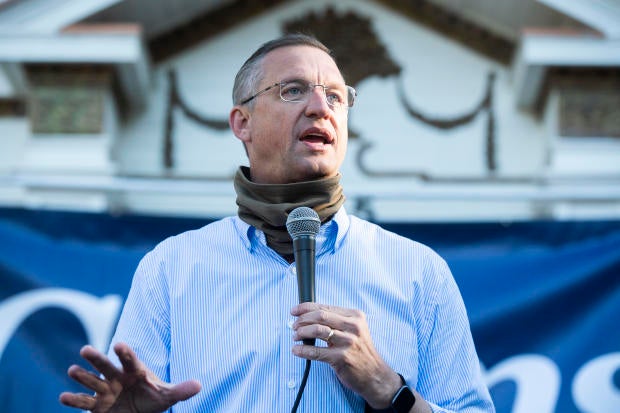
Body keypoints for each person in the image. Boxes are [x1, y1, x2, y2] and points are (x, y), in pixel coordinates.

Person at [60, 33, 495, 413]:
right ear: (242, 122)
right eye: (293, 90)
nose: (321, 107)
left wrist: (389, 389)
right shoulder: (171, 268)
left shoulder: (420, 272)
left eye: (337, 95)